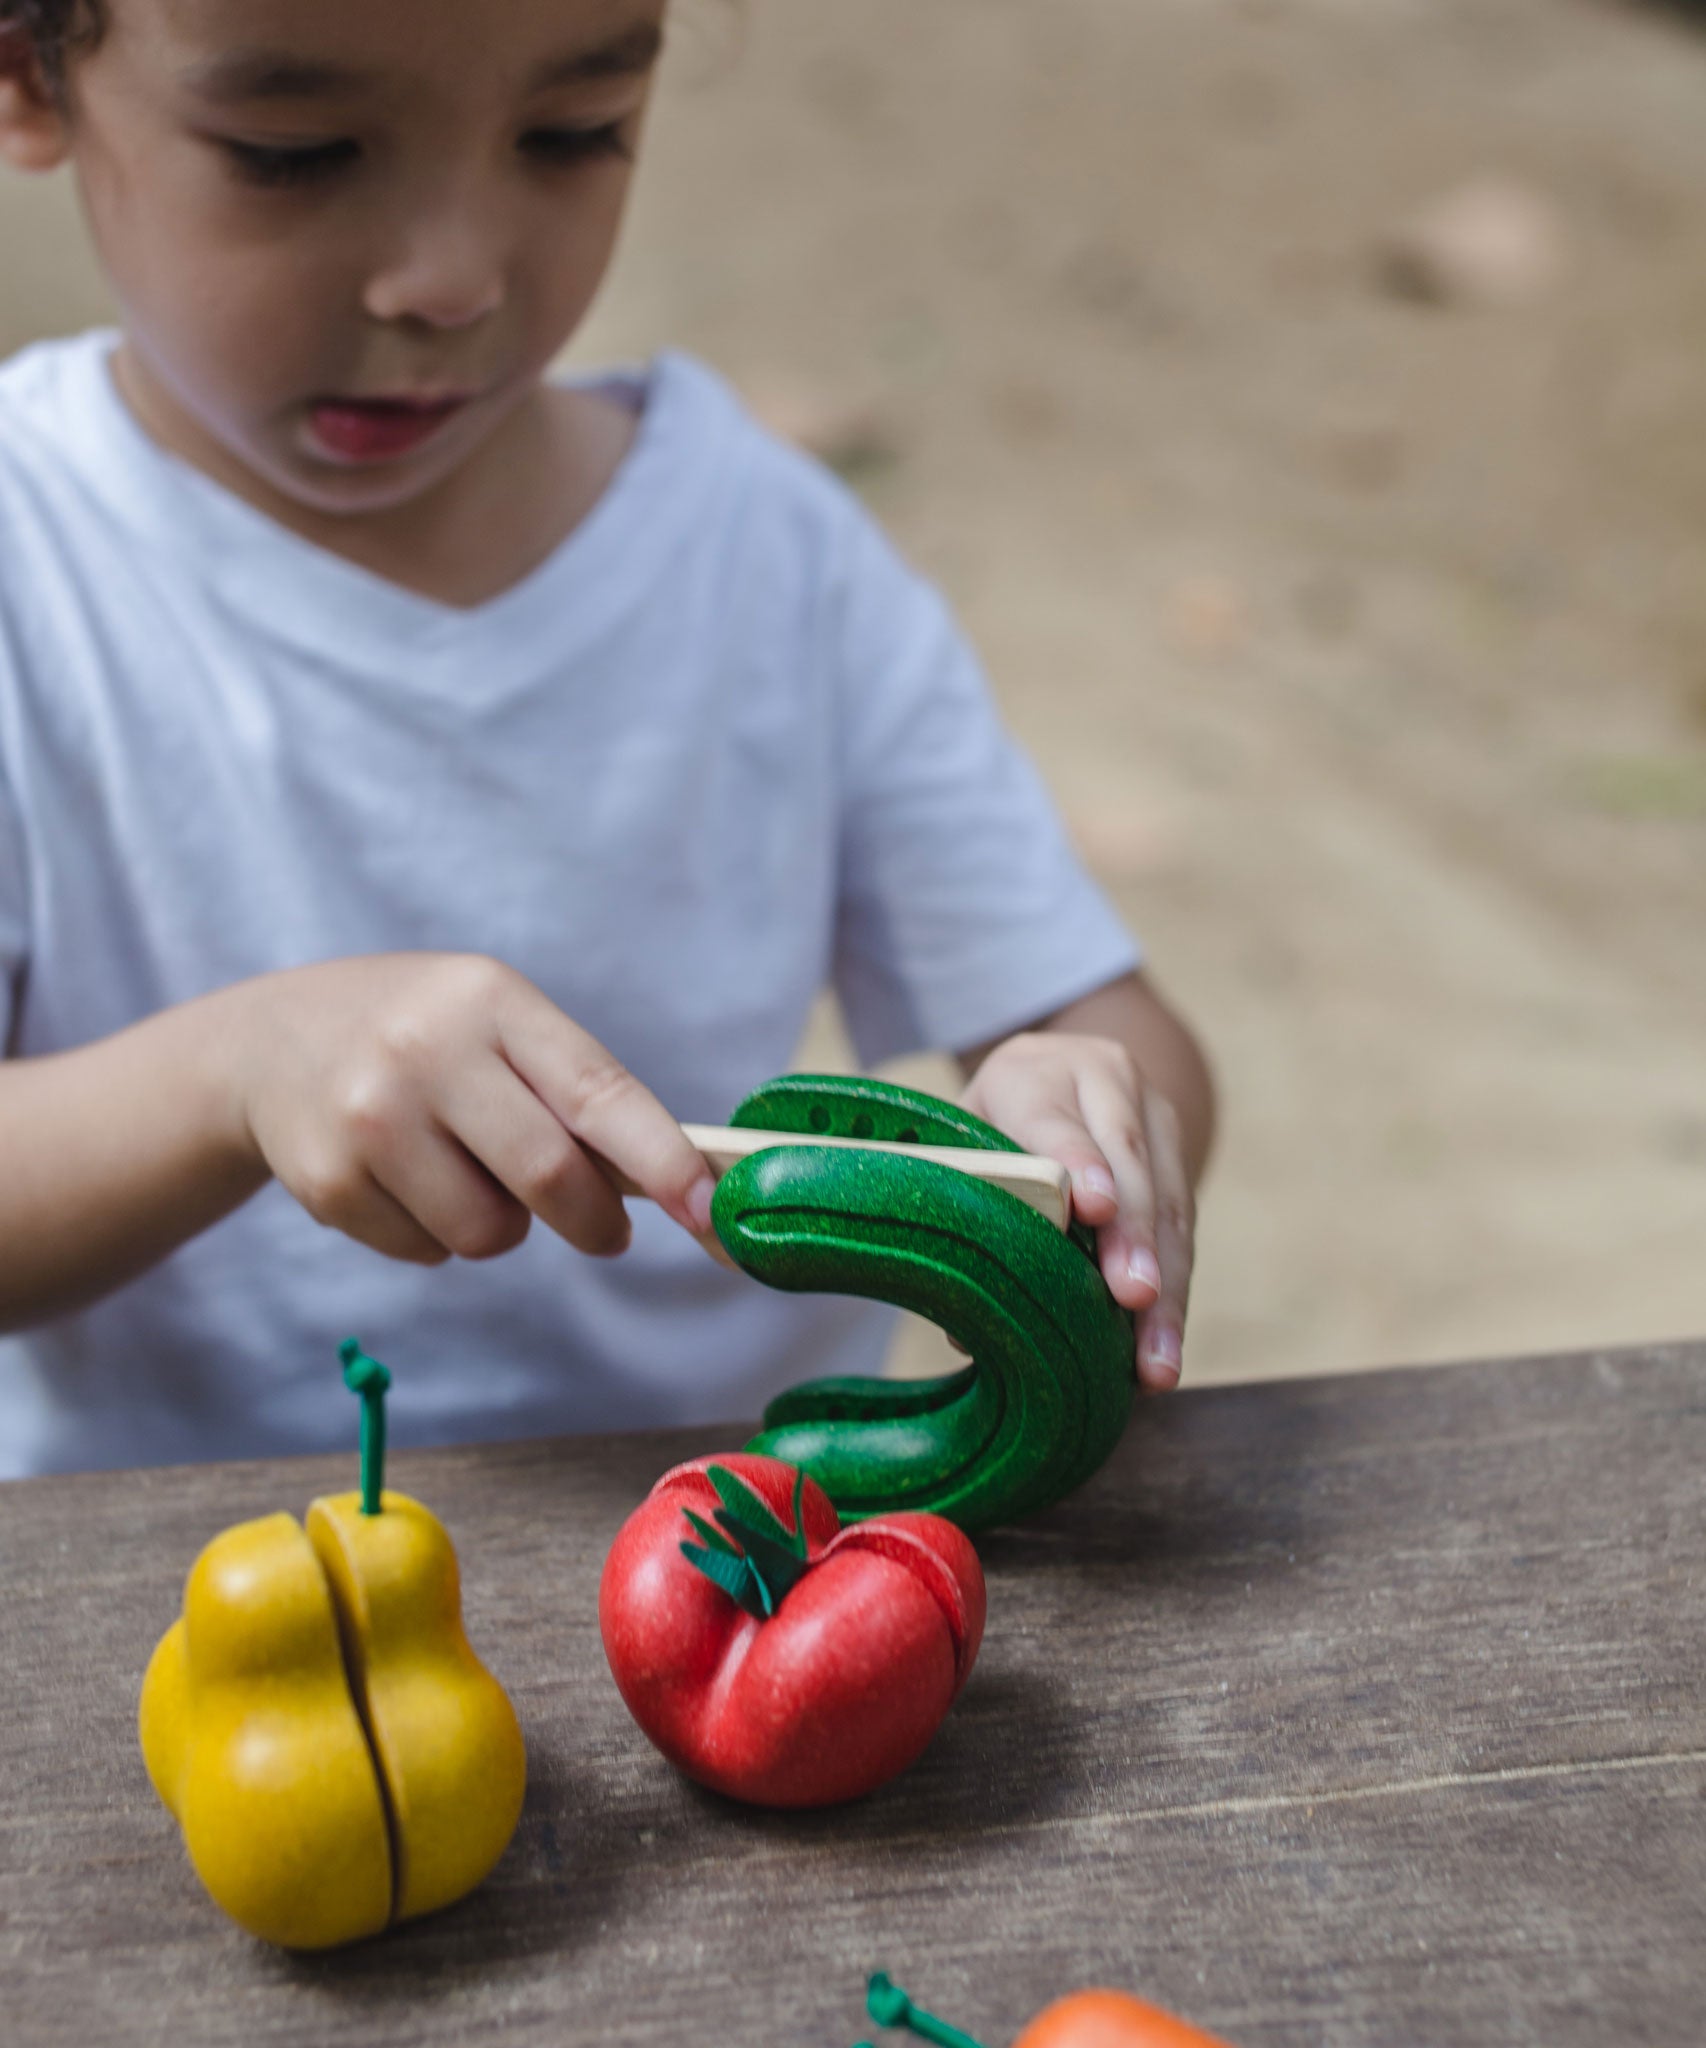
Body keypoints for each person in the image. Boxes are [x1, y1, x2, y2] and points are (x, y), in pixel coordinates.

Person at [0, 0, 1215, 1479]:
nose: (449, 280)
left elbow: (1105, 1020)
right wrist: (231, 1074)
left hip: (757, 1548)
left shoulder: (764, 550)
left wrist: (1078, 1118)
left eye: (570, 133)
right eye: (296, 151)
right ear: (29, 77)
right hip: (182, 1611)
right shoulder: (30, 566)